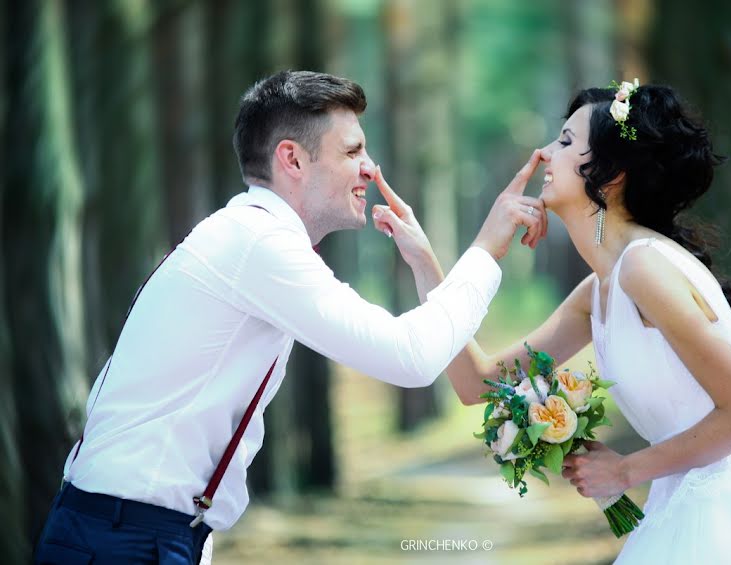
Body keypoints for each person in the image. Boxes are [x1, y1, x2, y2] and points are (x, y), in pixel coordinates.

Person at [32, 70, 548, 565]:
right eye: (352, 151)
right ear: (292, 160)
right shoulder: (261, 245)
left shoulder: (249, 235)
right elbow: (408, 357)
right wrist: (485, 250)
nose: (371, 167)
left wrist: (423, 261)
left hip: (133, 531)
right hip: (124, 538)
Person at [445, 81, 731, 563]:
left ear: (611, 173)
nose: (542, 154)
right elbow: (478, 384)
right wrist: (459, 256)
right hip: (679, 508)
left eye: (564, 141)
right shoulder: (598, 289)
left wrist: (624, 471)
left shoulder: (644, 268)